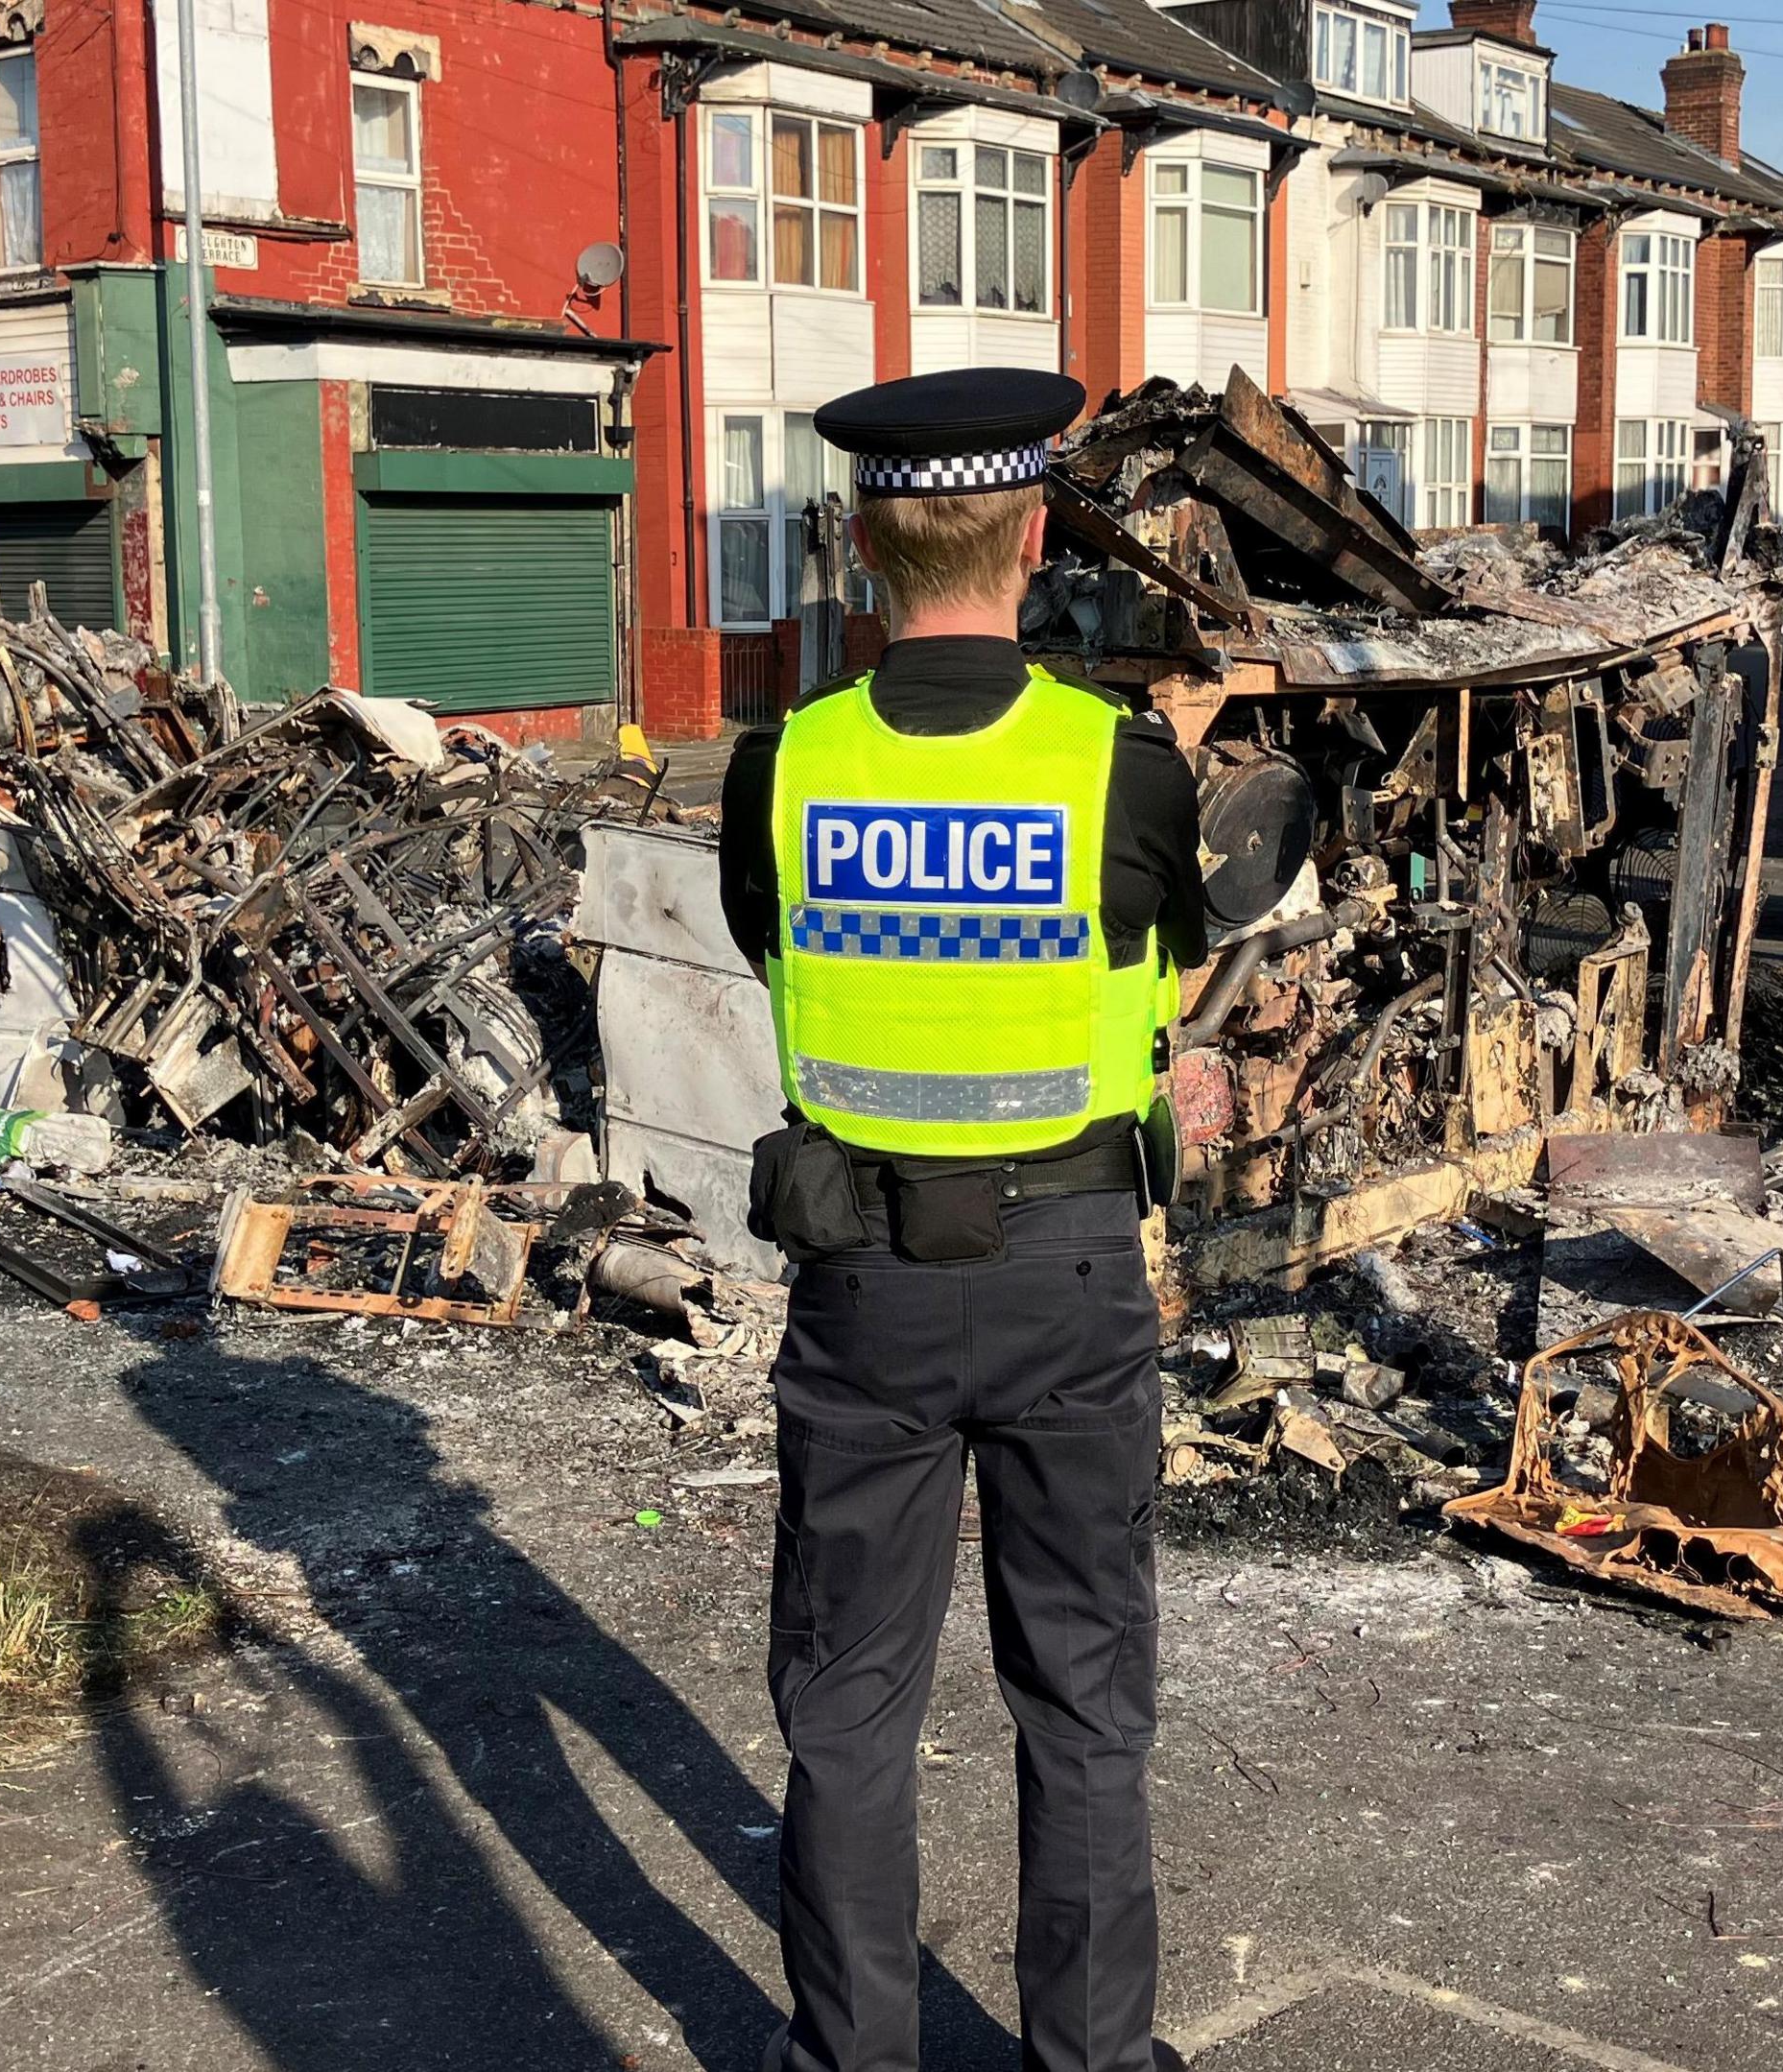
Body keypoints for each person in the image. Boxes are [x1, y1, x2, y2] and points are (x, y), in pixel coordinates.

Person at [714, 366, 1202, 2072]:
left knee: (847, 1706)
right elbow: (1168, 968)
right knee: (1081, 1702)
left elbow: (776, 956)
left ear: (860, 544)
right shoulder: (1120, 764)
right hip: (1072, 1276)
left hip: (862, 1287)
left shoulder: (784, 765)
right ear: (1040, 534)